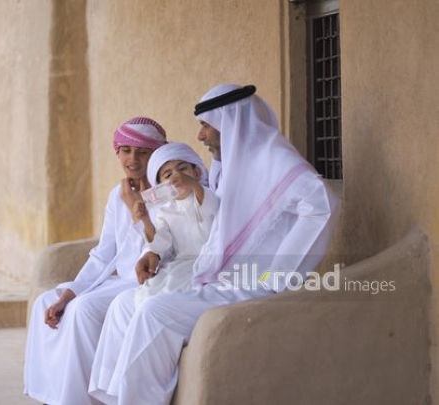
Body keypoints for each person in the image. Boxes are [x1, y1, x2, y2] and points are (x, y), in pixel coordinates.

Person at [88, 84, 340, 405]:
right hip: (218, 276)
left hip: (250, 284)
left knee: (154, 312)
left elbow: (322, 205)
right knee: (126, 304)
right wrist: (153, 251)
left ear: (228, 121)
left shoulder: (275, 161)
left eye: (206, 125)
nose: (201, 135)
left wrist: (279, 275)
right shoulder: (231, 165)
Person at [23, 116, 167, 405]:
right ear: (117, 152)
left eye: (142, 152)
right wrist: (69, 293)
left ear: (156, 155)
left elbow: (163, 247)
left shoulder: (166, 193)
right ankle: (54, 396)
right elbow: (104, 253)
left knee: (84, 309)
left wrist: (134, 206)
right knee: (46, 302)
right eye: (126, 150)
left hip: (150, 282)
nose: (133, 159)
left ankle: (84, 399)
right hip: (119, 282)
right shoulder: (117, 194)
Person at [132, 142, 219, 306]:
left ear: (196, 172)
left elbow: (209, 206)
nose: (176, 177)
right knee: (147, 293)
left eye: (182, 169)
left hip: (208, 263)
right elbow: (159, 242)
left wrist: (192, 184)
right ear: (160, 187)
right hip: (181, 264)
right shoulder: (165, 210)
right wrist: (145, 219)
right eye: (168, 175)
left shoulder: (204, 195)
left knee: (171, 296)